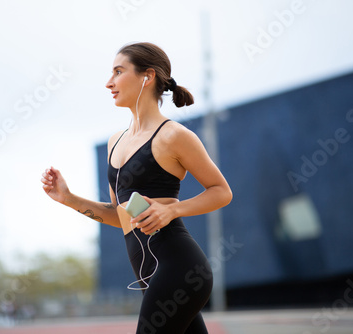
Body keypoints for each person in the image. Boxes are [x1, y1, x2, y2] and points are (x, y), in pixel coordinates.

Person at [41, 42, 232, 334]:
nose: (109, 83)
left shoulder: (174, 136)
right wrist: (68, 199)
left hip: (180, 268)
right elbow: (120, 216)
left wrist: (171, 211)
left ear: (148, 76)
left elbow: (221, 190)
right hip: (148, 274)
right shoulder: (114, 142)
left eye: (118, 72)